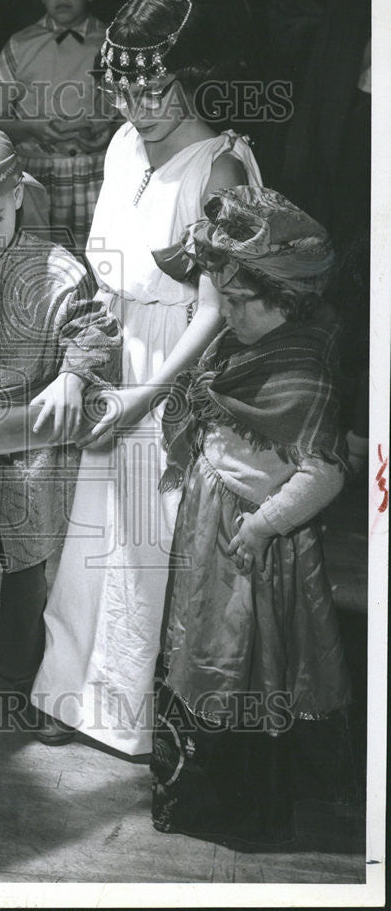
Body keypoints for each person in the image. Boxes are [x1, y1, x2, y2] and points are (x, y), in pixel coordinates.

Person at [31, 0, 262, 752]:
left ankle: (126, 710)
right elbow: (104, 275)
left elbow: (215, 310)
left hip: (178, 373)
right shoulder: (122, 144)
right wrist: (81, 364)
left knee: (147, 544)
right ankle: (68, 690)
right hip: (116, 354)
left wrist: (145, 399)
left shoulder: (222, 165)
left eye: (153, 88)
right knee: (92, 530)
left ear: (192, 74)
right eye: (121, 88)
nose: (136, 105)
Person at [151, 185, 353, 846]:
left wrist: (267, 523)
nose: (226, 312)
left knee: (242, 659)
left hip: (258, 536)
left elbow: (323, 469)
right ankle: (189, 779)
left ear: (286, 298)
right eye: (223, 297)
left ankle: (238, 800)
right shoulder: (241, 344)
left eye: (240, 301)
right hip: (212, 517)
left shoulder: (304, 370)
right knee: (198, 641)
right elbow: (207, 409)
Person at [0, 123, 121, 700]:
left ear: (16, 196)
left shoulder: (60, 270)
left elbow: (93, 330)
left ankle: (14, 672)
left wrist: (71, 374)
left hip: (34, 442)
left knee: (29, 565)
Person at [0, 0, 116, 251]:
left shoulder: (112, 41)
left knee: (97, 256)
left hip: (97, 171)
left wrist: (108, 130)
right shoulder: (20, 44)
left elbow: (131, 115)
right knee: (40, 259)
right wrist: (33, 127)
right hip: (38, 172)